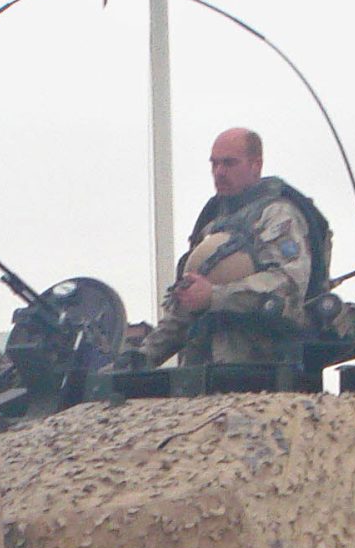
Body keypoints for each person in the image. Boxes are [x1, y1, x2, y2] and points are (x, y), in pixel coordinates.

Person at [135, 128, 327, 369]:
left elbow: (288, 284)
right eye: (214, 164)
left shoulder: (277, 216)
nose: (219, 172)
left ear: (256, 165)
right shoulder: (213, 225)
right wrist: (141, 357)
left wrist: (214, 296)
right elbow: (185, 308)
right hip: (205, 369)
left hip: (265, 367)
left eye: (229, 163)